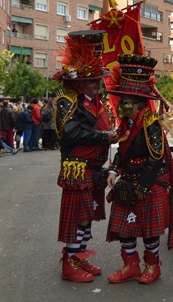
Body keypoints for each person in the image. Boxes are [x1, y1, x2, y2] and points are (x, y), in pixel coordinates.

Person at [105, 54, 173, 284]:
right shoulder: (126, 123)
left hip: (149, 183)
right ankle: (131, 266)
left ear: (138, 103)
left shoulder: (151, 124)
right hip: (127, 181)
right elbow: (122, 152)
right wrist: (114, 171)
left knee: (149, 231)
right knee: (124, 229)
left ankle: (152, 267)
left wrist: (143, 187)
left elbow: (155, 159)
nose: (121, 104)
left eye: (125, 101)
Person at [54, 30, 118, 283]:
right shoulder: (67, 101)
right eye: (92, 80)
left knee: (88, 214)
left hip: (92, 167)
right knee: (77, 218)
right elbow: (70, 133)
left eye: (98, 79)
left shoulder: (94, 100)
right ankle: (69, 265)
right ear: (79, 82)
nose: (97, 83)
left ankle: (79, 258)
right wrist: (105, 137)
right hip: (77, 167)